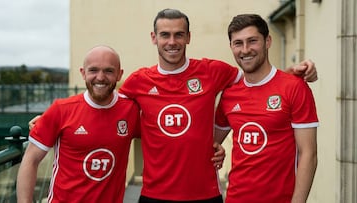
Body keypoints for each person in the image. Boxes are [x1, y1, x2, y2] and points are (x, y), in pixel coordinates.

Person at [118, 8, 318, 203]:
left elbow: (262, 80)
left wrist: (289, 77)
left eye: (179, 34)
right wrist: (214, 148)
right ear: (154, 38)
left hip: (208, 194)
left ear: (188, 37)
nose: (172, 42)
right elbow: (108, 109)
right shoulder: (137, 81)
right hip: (158, 194)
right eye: (165, 35)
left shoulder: (213, 71)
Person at [214, 14, 319, 203]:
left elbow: (308, 154)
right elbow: (209, 142)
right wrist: (216, 149)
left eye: (252, 41)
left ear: (267, 41)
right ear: (231, 47)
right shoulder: (229, 95)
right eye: (238, 43)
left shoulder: (295, 87)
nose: (245, 49)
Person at [16, 45, 141, 203]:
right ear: (83, 73)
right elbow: (30, 160)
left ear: (119, 74)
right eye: (93, 70)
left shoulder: (130, 110)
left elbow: (160, 134)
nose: (100, 77)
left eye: (108, 71)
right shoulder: (61, 110)